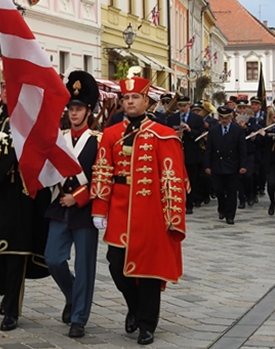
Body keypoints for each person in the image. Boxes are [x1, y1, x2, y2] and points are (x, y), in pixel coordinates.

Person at [91, 71, 188, 346]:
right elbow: (102, 171)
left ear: (147, 101)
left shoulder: (163, 134)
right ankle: (133, 306)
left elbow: (172, 177)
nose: (130, 102)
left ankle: (147, 323)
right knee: (116, 264)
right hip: (120, 208)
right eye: (126, 98)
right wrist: (100, 208)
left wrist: (173, 216)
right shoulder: (110, 134)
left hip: (151, 210)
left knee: (148, 270)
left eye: (135, 97)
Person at [0, 76, 51, 332]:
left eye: (11, 85)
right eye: (4, 86)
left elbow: (22, 147)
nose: (6, 90)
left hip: (20, 196)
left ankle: (12, 308)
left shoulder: (31, 120)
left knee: (15, 254)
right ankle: (6, 294)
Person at [44, 71, 100, 339]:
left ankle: (79, 317)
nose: (73, 113)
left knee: (85, 265)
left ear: (88, 111)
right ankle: (74, 295)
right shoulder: (60, 138)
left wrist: (77, 197)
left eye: (78, 108)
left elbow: (102, 178)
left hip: (86, 210)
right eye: (70, 108)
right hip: (59, 207)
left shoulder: (98, 141)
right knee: (53, 259)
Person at [203, 105, 248, 225]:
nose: (224, 120)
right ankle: (221, 208)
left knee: (232, 192)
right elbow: (209, 150)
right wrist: (207, 165)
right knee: (219, 190)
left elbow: (242, 150)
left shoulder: (238, 130)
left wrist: (243, 165)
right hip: (217, 164)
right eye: (222, 117)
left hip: (232, 165)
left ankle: (230, 215)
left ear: (231, 117)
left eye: (226, 117)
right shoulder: (213, 130)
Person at [166, 95, 205, 214]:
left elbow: (200, 134)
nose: (182, 108)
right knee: (176, 179)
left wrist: (190, 130)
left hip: (191, 152)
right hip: (176, 152)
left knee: (191, 178)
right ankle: (177, 202)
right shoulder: (172, 118)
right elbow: (166, 132)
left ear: (189, 105)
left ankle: (189, 204)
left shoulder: (197, 118)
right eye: (180, 106)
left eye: (184, 105)